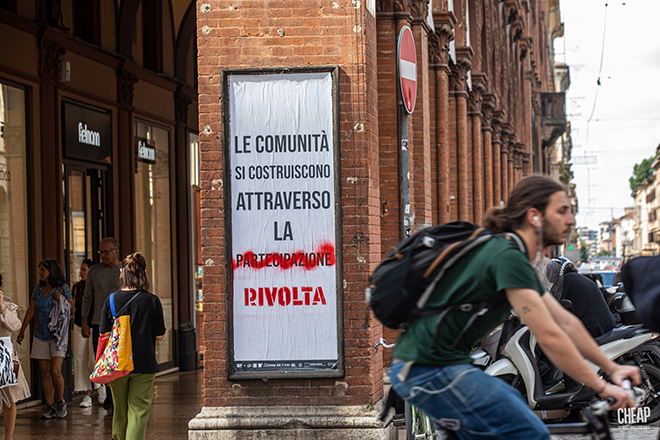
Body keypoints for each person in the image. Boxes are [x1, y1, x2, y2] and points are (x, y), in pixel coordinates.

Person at [389, 175, 640, 439]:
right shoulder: (508, 257)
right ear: (535, 216)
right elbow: (551, 336)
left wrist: (611, 369)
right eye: (562, 211)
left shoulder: (517, 257)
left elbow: (565, 322)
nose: (570, 220)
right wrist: (602, 385)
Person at [99, 252, 165, 440]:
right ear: (143, 272)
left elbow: (103, 333)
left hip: (117, 363)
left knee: (119, 409)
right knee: (139, 410)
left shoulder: (111, 300)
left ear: (122, 273)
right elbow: (160, 335)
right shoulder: (152, 300)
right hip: (144, 363)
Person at [17, 259, 72, 419]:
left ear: (51, 271)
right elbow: (31, 310)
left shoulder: (63, 288)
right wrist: (22, 331)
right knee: (45, 372)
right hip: (40, 334)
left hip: (57, 336)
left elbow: (71, 308)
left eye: (43, 270)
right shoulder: (38, 289)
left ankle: (60, 401)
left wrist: (58, 299)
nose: (40, 273)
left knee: (55, 371)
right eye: (40, 269)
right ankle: (49, 405)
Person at [82, 237, 121, 408]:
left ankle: (116, 396)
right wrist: (85, 321)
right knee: (103, 361)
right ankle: (110, 394)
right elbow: (87, 296)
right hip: (99, 322)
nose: (103, 255)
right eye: (101, 252)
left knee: (119, 360)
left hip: (121, 323)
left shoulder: (124, 270)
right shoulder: (94, 271)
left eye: (106, 252)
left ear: (116, 251)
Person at [0, 274, 30, 440]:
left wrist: (2, 307)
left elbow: (15, 325)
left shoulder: (8, 306)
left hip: (5, 356)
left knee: (9, 396)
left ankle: (8, 437)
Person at [72, 259, 95, 407]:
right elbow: (75, 306)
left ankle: (100, 386)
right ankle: (86, 393)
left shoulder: (95, 287)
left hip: (94, 325)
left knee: (92, 359)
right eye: (81, 269)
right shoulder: (76, 287)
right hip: (79, 325)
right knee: (80, 358)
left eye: (84, 269)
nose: (81, 272)